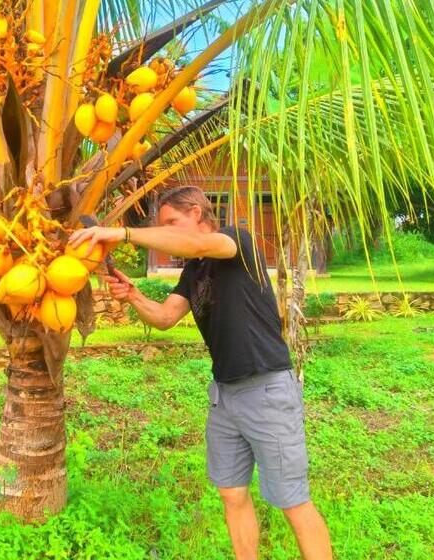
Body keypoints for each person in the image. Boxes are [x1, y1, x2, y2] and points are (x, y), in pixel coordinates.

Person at [68, 186, 332, 560]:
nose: (167, 233)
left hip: (266, 389)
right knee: (231, 493)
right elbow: (165, 317)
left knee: (292, 500)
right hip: (224, 396)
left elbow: (196, 244)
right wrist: (134, 296)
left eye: (171, 222)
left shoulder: (236, 241)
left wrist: (122, 233)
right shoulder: (193, 271)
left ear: (196, 212)